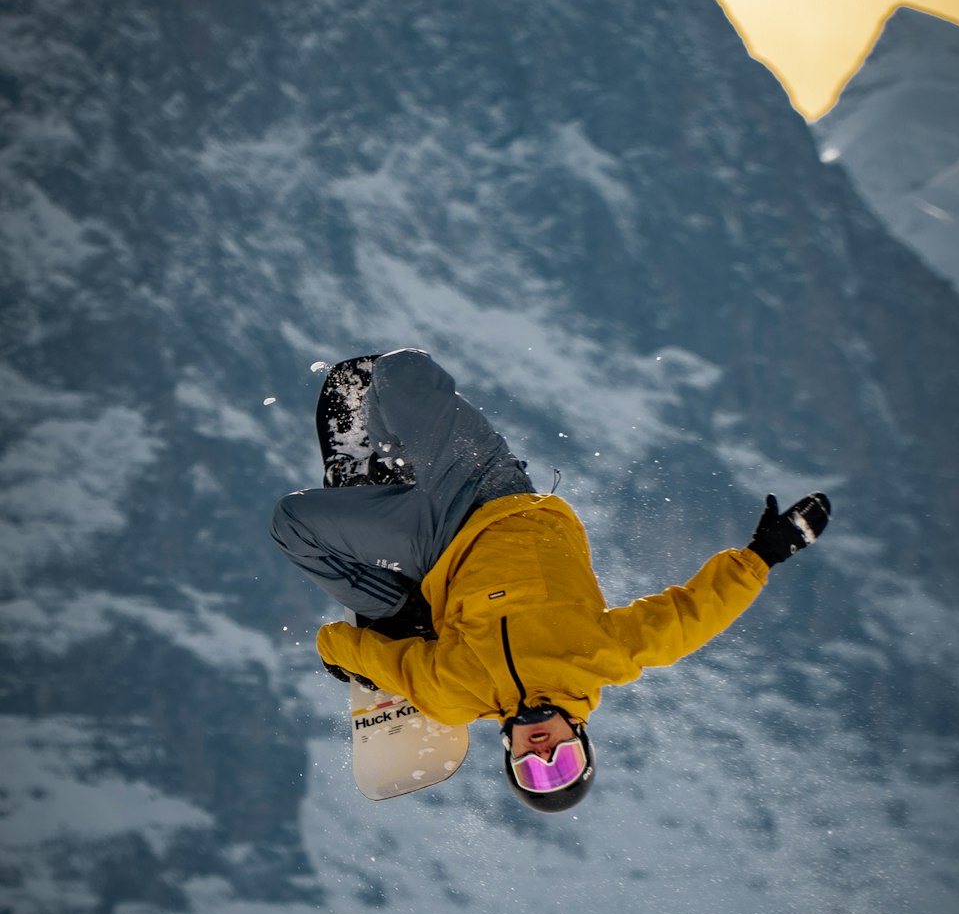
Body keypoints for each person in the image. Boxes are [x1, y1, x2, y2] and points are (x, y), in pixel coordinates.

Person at [270, 348, 831, 812]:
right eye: (561, 762)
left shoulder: (455, 693)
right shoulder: (600, 659)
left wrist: (340, 650)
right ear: (579, 741)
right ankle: (394, 468)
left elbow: (354, 651)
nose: (541, 756)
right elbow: (692, 618)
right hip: (495, 492)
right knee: (399, 374)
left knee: (292, 522)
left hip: (435, 543)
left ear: (508, 754)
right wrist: (765, 554)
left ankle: (399, 600)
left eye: (531, 771)